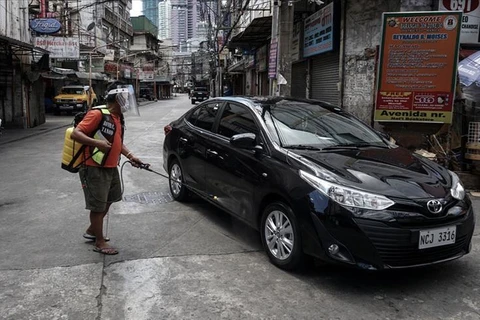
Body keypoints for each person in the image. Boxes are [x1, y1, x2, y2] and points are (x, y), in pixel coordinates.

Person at [71, 82, 146, 255]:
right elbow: (77, 133)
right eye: (125, 99)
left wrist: (131, 156)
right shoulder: (98, 114)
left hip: (111, 167)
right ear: (116, 99)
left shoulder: (118, 117)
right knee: (98, 206)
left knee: (112, 198)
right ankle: (99, 241)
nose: (127, 103)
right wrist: (96, 142)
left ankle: (92, 230)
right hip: (94, 167)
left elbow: (117, 141)